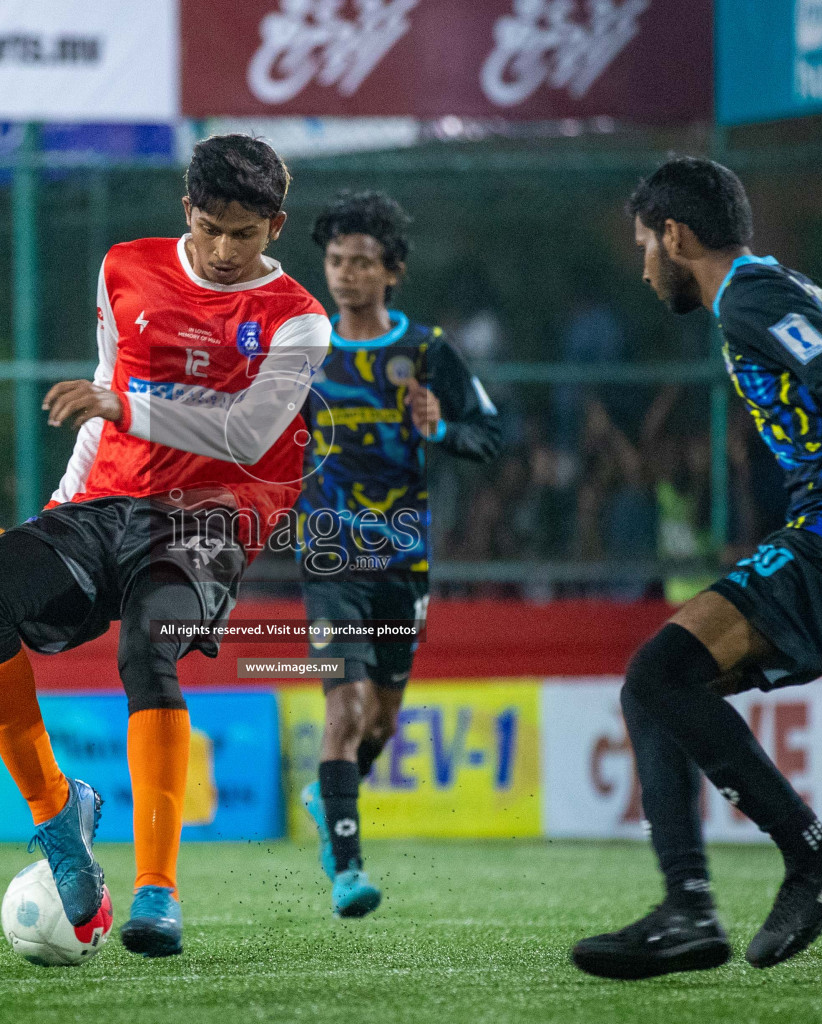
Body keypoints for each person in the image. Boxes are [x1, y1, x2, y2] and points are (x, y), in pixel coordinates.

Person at [572, 156, 822, 980]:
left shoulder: (752, 298)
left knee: (656, 678)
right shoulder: (788, 292)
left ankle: (807, 858)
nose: (645, 267)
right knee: (661, 690)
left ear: (677, 237)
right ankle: (691, 906)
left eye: (646, 245)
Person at [0, 135, 330, 959]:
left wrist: (124, 410)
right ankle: (57, 815)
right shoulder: (124, 268)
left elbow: (244, 434)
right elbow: (101, 390)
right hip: (107, 496)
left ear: (277, 225)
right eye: (211, 227)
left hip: (211, 514)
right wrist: (54, 513)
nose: (226, 251)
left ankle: (158, 892)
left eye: (246, 233)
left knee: (149, 643)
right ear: (185, 210)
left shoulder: (299, 319)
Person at [295, 190, 500, 917]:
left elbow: (489, 437)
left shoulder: (427, 352)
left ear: (393, 273)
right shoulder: (304, 347)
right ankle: (348, 871)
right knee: (345, 709)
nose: (346, 275)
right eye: (335, 261)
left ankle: (331, 795)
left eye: (361, 263)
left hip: (403, 561)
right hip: (327, 557)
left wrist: (441, 428)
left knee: (379, 723)